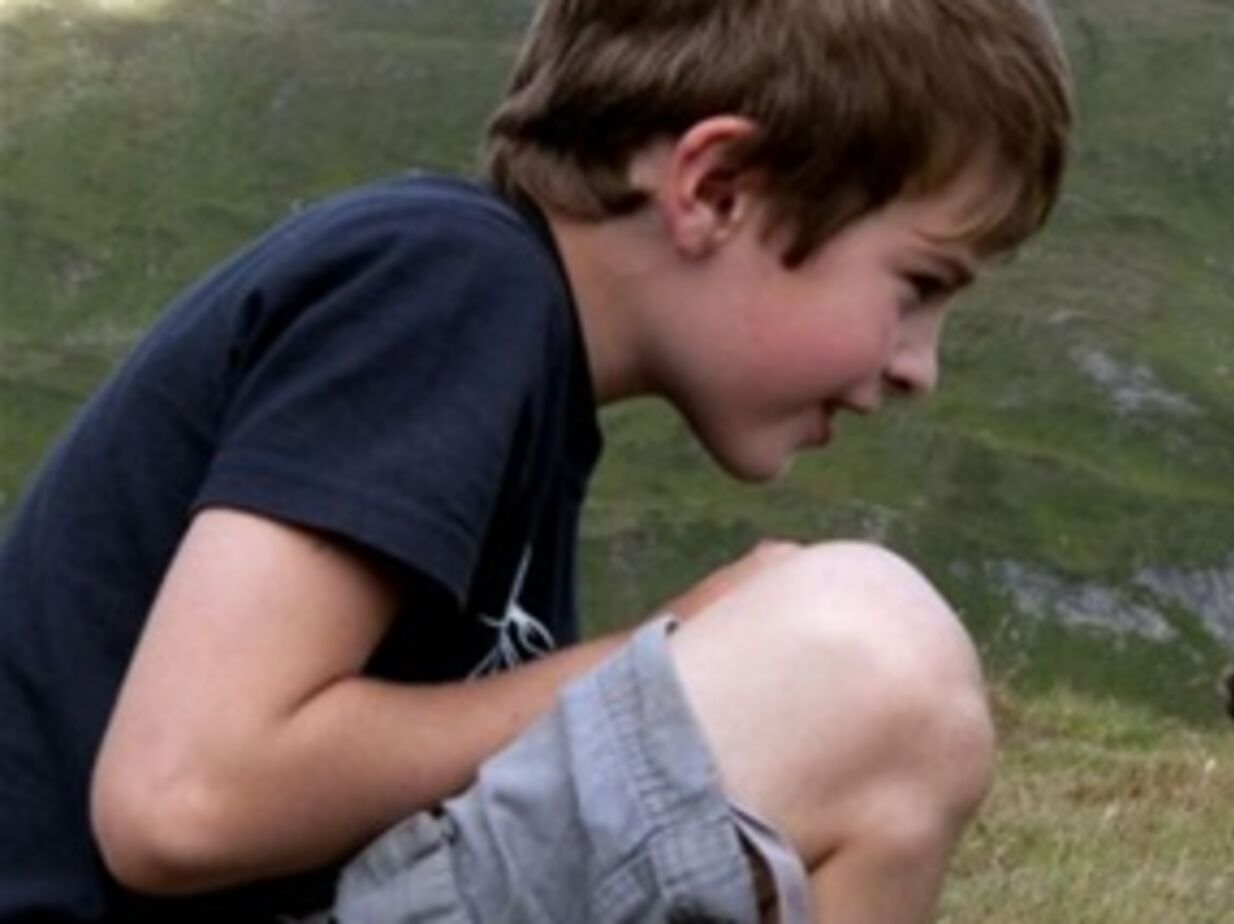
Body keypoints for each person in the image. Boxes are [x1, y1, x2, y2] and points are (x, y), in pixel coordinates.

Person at [0, 0, 1071, 919]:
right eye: (919, 285)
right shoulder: (452, 282)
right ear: (718, 187)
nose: (919, 365)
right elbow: (184, 798)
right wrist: (659, 651)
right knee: (872, 659)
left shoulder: (521, 375)